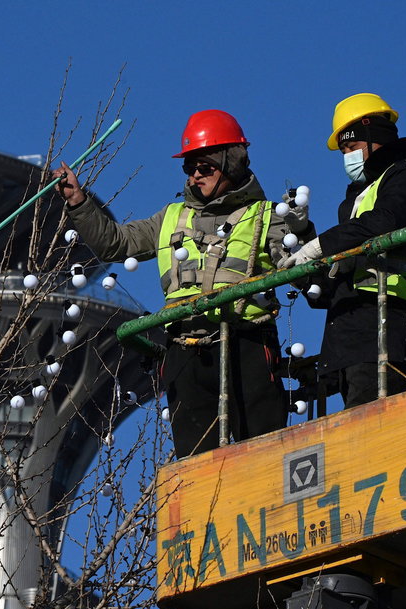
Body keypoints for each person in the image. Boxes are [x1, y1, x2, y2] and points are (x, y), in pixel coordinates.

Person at [53, 110, 310, 457]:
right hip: (185, 353)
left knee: (263, 452)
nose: (194, 176)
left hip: (246, 345)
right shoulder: (171, 217)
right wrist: (78, 202)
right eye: (189, 168)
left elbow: (303, 269)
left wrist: (302, 232)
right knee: (195, 464)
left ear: (231, 163)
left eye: (205, 167)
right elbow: (116, 243)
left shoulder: (267, 216)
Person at [282, 93, 406, 408]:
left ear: (374, 139)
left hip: (397, 332)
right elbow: (334, 287)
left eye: (351, 148)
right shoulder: (361, 197)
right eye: (343, 151)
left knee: (382, 437)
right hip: (357, 340)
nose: (347, 158)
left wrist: (319, 246)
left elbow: (385, 221)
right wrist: (303, 240)